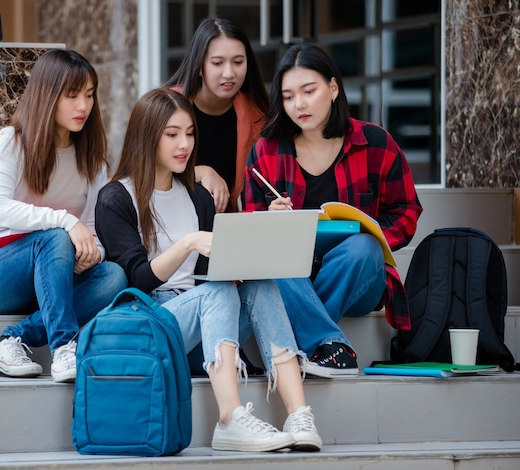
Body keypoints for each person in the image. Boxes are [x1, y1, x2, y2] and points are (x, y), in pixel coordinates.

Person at [95, 88, 322, 453]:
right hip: (153, 323)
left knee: (260, 285)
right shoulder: (116, 198)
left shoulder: (197, 197)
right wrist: (187, 243)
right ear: (146, 135)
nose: (184, 143)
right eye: (172, 134)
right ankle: (230, 418)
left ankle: (298, 413)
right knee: (216, 292)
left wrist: (265, 226)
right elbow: (136, 278)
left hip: (205, 328)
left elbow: (217, 265)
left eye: (189, 133)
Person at [243, 44, 422, 378]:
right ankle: (329, 346)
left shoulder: (375, 143)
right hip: (292, 279)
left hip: (357, 278)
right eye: (288, 96)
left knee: (363, 247)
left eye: (309, 91)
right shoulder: (266, 151)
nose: (299, 104)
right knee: (274, 256)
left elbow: (407, 210)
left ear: (333, 88)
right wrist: (269, 218)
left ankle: (302, 337)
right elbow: (253, 235)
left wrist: (370, 231)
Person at [0, 49, 128, 383]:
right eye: (72, 95)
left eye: (89, 95)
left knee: (114, 276)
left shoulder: (93, 161)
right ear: (47, 95)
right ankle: (64, 347)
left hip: (53, 277)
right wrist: (64, 221)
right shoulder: (13, 141)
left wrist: (93, 253)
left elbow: (92, 229)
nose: (83, 106)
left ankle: (12, 339)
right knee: (55, 237)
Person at [164, 17, 268, 213]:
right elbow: (141, 169)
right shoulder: (165, 108)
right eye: (217, 63)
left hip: (231, 227)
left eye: (238, 62)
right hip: (168, 221)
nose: (229, 73)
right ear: (199, 65)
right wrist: (199, 172)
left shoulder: (259, 116)